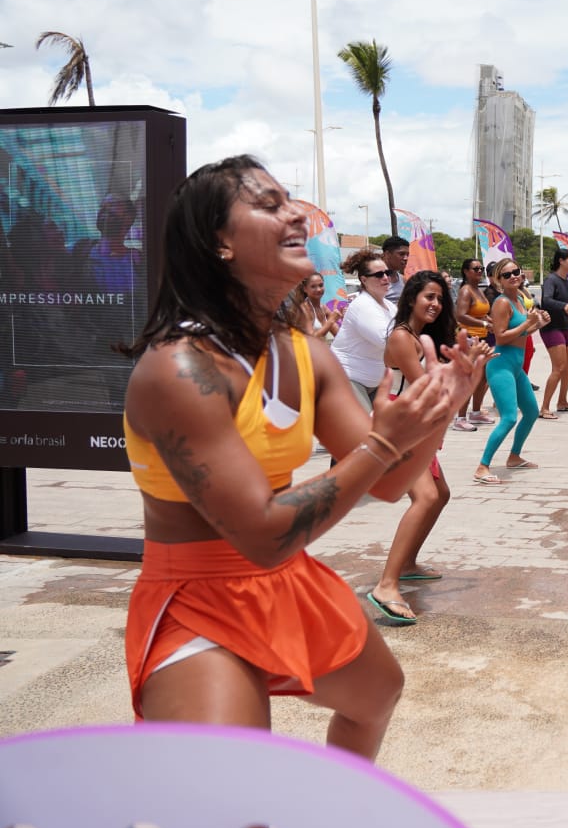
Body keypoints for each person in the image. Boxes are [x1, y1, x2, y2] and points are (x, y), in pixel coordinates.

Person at [118, 155, 483, 757]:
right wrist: (386, 441)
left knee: (377, 695)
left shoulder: (301, 354)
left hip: (284, 579)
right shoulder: (179, 369)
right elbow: (262, 534)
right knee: (237, 809)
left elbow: (390, 484)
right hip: (198, 597)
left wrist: (439, 411)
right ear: (219, 245)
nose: (293, 214)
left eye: (288, 200)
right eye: (267, 205)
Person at [368, 271, 476, 624]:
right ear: (411, 297)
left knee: (440, 494)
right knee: (426, 497)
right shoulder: (402, 337)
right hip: (400, 424)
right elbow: (425, 387)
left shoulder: (418, 336)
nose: (435, 304)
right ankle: (387, 584)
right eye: (429, 296)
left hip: (414, 422)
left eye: (440, 299)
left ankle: (409, 563)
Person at [473, 258, 549, 484]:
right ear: (498, 280)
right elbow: (501, 336)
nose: (514, 276)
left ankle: (514, 456)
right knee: (508, 418)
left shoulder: (518, 300)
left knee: (532, 412)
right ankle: (482, 466)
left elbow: (521, 334)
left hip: (515, 367)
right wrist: (528, 324)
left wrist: (538, 324)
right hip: (501, 365)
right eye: (507, 275)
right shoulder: (502, 303)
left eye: (516, 271)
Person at [331, 247, 397, 411]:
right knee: (364, 431)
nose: (385, 278)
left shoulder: (390, 306)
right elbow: (388, 341)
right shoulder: (363, 305)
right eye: (378, 275)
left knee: (379, 431)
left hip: (375, 381)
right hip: (348, 377)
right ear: (364, 280)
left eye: (387, 273)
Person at [537, 248, 568, 418]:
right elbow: (546, 301)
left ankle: (562, 401)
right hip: (551, 328)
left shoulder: (566, 281)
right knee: (559, 368)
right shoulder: (551, 279)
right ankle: (544, 408)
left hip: (565, 327)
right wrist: (563, 306)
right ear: (561, 261)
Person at [453, 258, 494, 431]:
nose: (479, 271)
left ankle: (476, 412)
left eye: (481, 268)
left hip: (481, 338)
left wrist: (488, 320)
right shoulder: (465, 291)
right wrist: (484, 324)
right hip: (469, 338)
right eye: (475, 268)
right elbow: (461, 315)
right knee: (469, 378)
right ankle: (460, 418)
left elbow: (479, 313)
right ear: (466, 271)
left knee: (482, 378)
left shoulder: (478, 289)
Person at [291, 272, 341, 341]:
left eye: (321, 285)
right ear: (305, 289)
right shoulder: (304, 309)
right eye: (313, 286)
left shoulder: (324, 308)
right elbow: (312, 339)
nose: (318, 289)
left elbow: (339, 336)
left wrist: (345, 318)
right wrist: (331, 321)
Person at [381, 235, 410, 303]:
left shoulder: (403, 280)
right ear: (387, 254)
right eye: (401, 254)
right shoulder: (374, 279)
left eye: (407, 255)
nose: (406, 258)